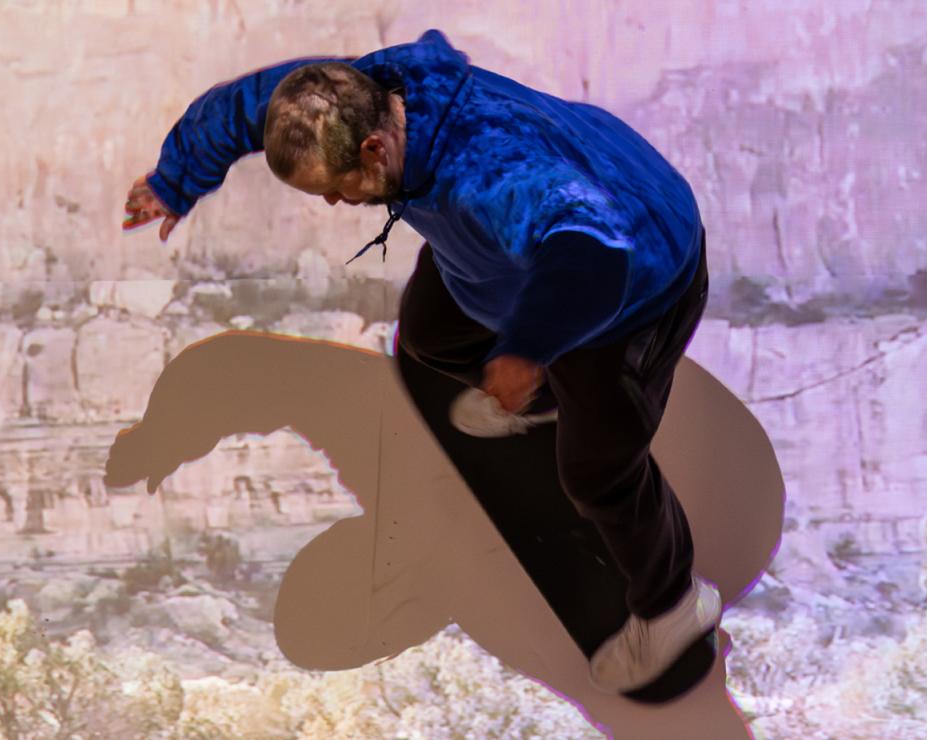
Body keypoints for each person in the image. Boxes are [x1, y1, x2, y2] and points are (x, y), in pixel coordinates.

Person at [122, 29, 717, 694]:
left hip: (635, 272)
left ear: (375, 148)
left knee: (598, 471)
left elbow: (595, 255)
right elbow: (236, 110)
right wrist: (176, 181)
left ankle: (673, 606)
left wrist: (525, 351)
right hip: (521, 244)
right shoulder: (343, 96)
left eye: (339, 188)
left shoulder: (492, 174)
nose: (333, 203)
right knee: (433, 334)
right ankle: (536, 400)